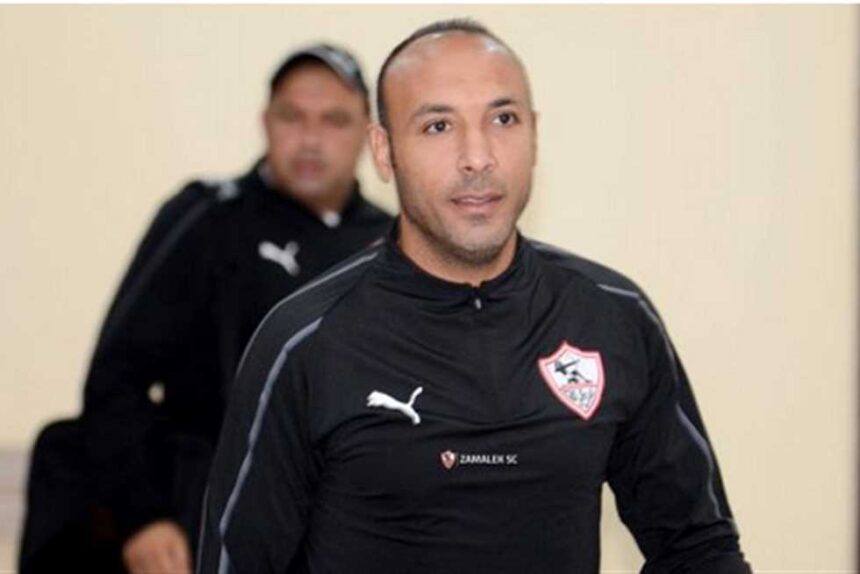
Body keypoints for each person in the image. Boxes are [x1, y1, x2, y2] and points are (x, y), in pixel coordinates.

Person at [198, 20, 751, 574]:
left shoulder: (611, 316)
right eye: (438, 126)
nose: (478, 156)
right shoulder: (305, 342)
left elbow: (699, 550)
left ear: (534, 135)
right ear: (385, 152)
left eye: (503, 119)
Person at [19, 44, 392, 574]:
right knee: (65, 452)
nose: (310, 139)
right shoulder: (208, 217)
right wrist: (144, 516)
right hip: (195, 499)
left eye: (334, 120)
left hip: (329, 513)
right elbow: (116, 377)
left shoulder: (388, 248)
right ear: (265, 122)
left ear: (370, 136)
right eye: (292, 116)